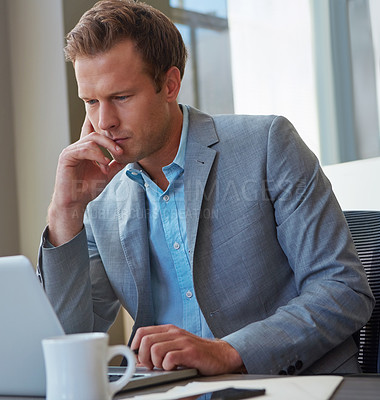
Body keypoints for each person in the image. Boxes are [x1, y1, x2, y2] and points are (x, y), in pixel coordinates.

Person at [38, 0, 374, 376]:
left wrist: (229, 351)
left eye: (121, 97)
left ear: (170, 84)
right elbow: (69, 340)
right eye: (91, 102)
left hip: (293, 384)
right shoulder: (101, 199)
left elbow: (344, 291)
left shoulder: (267, 144)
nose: (104, 121)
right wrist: (65, 211)